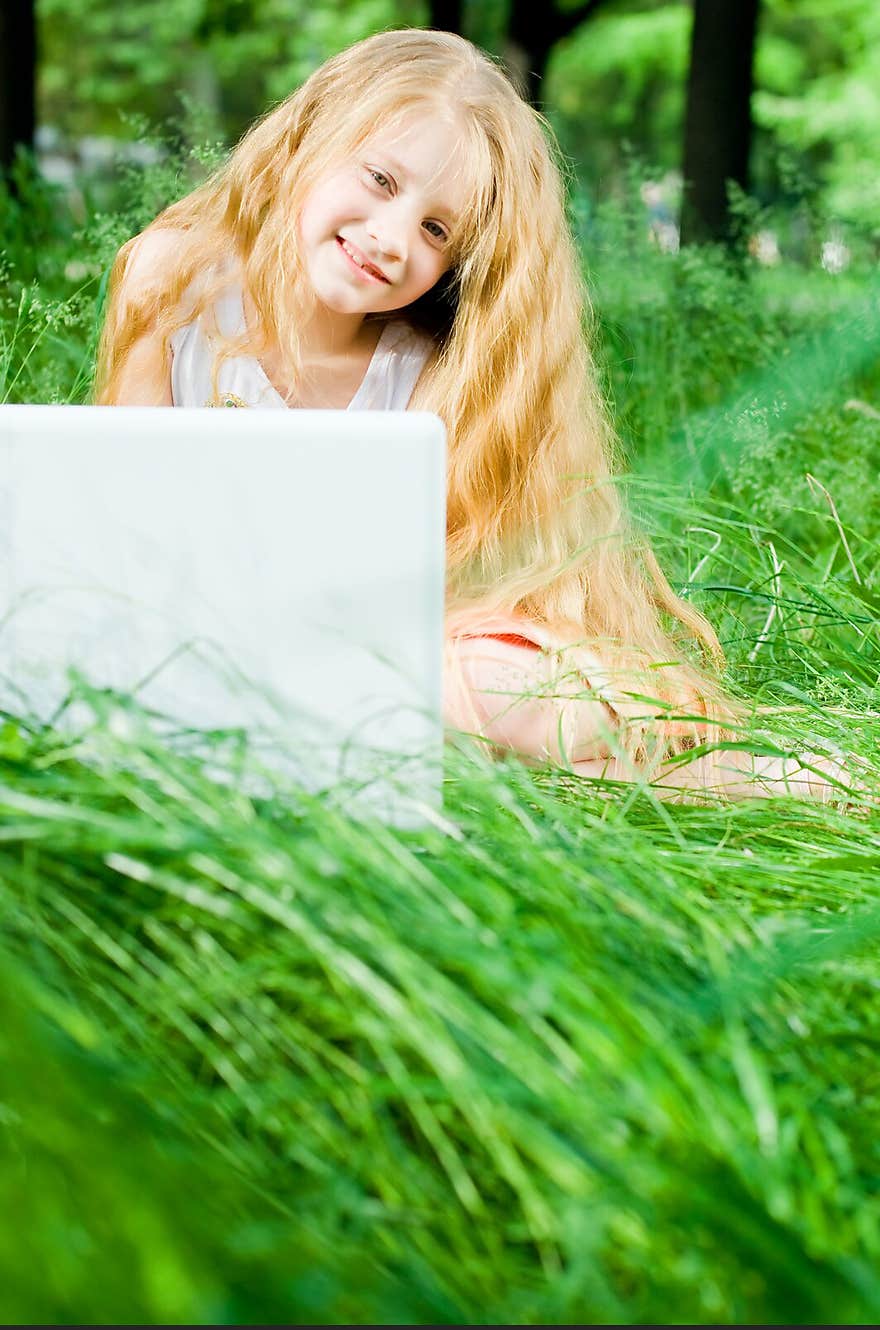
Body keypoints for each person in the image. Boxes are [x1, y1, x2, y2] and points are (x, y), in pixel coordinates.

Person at [94, 28, 865, 807]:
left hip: (370, 659)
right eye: (379, 179)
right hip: (186, 633)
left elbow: (446, 589)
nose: (390, 240)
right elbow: (116, 503)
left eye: (436, 231)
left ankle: (760, 774)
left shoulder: (422, 372)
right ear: (311, 137)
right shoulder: (176, 292)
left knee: (499, 691)